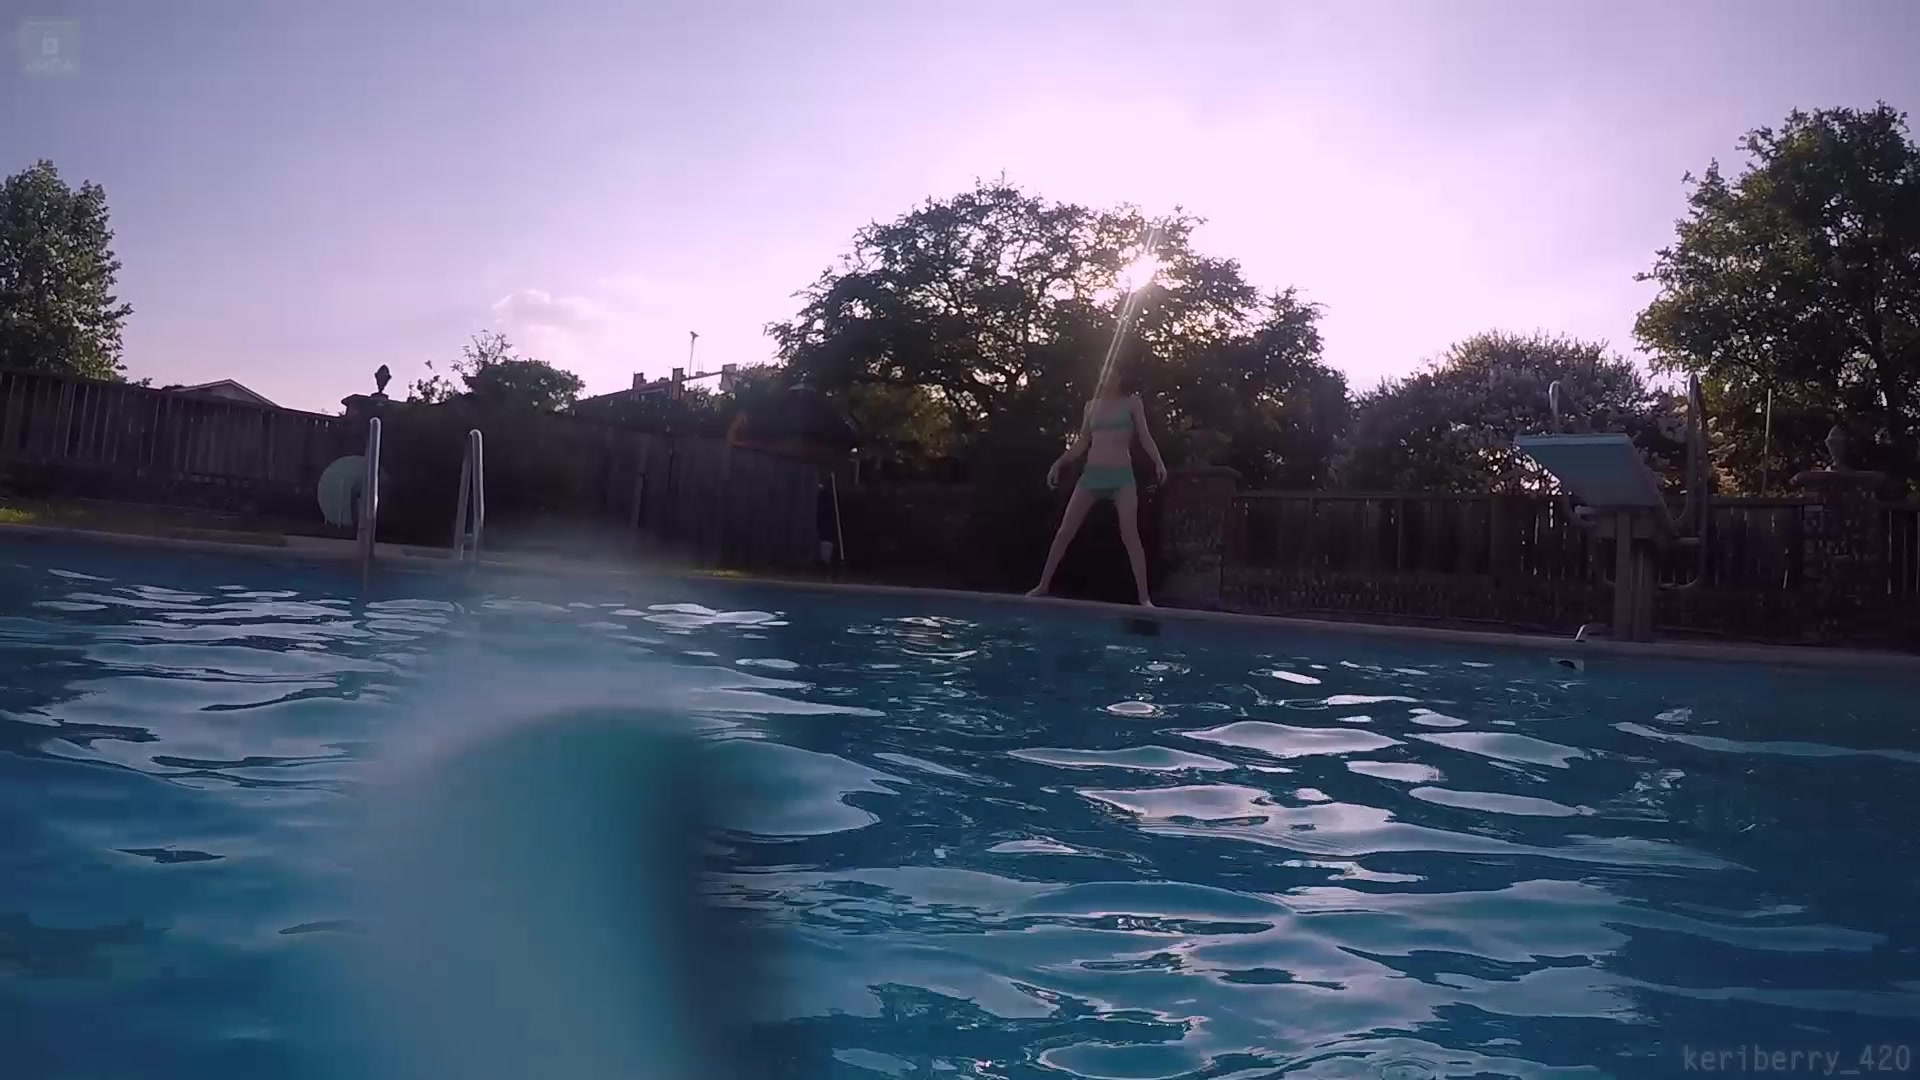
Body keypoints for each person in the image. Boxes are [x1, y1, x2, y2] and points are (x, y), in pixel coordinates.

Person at [1026, 364, 1168, 605]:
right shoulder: (1090, 407)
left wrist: (1158, 462)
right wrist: (1059, 463)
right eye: (1104, 376)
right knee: (1065, 530)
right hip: (1092, 475)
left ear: (1119, 378)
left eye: (1112, 375)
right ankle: (1043, 585)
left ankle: (1144, 598)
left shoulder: (1132, 403)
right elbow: (1083, 442)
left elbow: (1144, 436)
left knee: (1130, 533)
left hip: (1121, 476)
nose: (1107, 380)